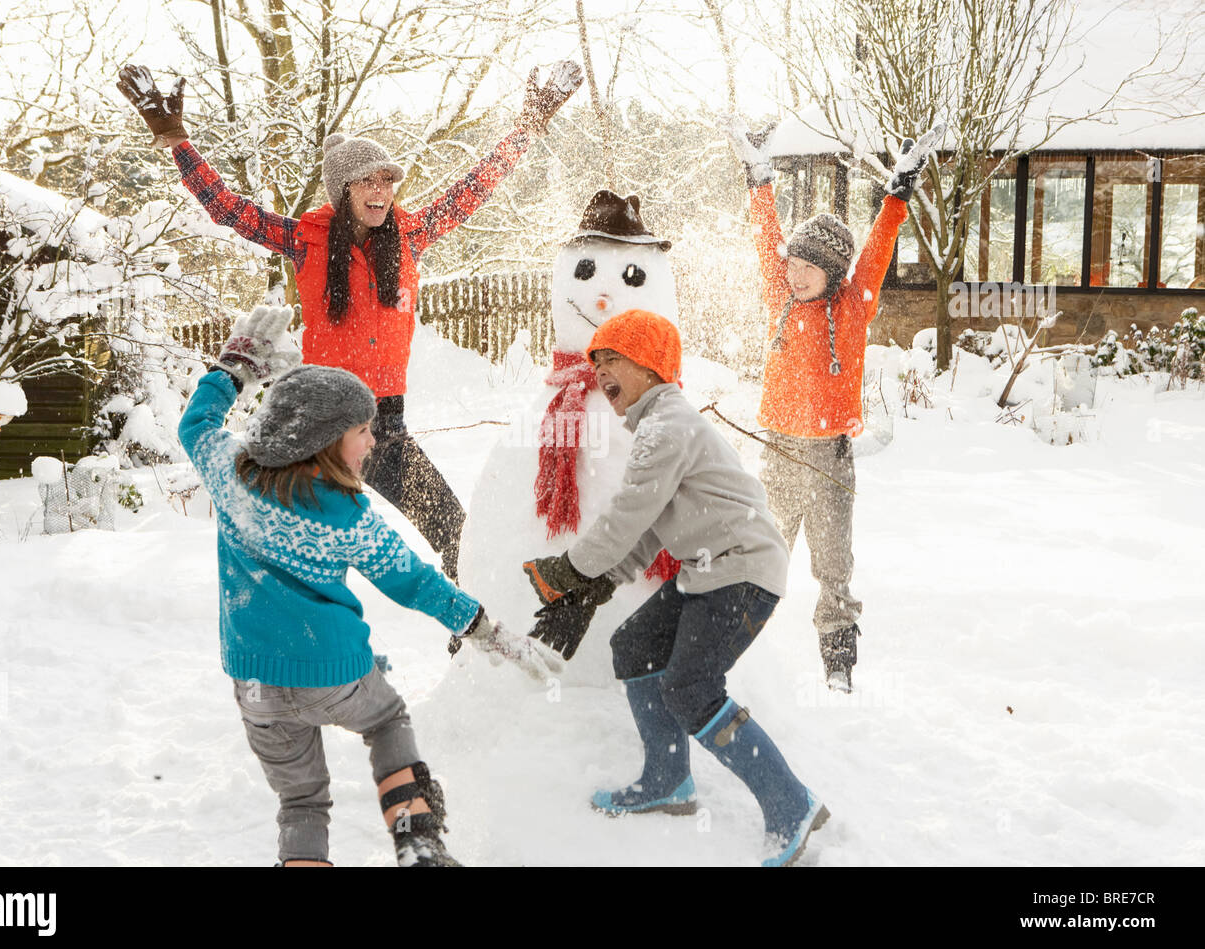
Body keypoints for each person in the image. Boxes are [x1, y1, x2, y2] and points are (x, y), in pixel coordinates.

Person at [119, 61, 583, 581]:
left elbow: (473, 190)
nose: (382, 189)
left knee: (456, 531)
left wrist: (528, 127)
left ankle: (473, 625)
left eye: (387, 179)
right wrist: (177, 141)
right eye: (368, 179)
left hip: (383, 420)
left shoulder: (410, 235)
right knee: (300, 546)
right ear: (343, 190)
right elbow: (229, 209)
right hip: (318, 417)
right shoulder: (306, 239)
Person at [178, 305, 553, 867]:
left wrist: (235, 368)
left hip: (254, 682)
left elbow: (197, 425)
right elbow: (414, 582)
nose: (373, 442)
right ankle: (419, 843)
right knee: (386, 721)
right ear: (325, 440)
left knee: (302, 801)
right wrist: (483, 628)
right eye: (362, 431)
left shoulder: (230, 471)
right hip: (337, 674)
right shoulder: (348, 514)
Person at [520, 309, 828, 867]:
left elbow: (625, 516)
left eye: (613, 358)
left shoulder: (670, 426)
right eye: (595, 362)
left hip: (741, 571)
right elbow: (646, 529)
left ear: (651, 366)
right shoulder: (658, 426)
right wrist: (595, 591)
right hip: (707, 570)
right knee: (634, 646)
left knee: (692, 688)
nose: (600, 372)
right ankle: (668, 780)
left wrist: (568, 572)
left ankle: (792, 805)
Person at [725, 117, 937, 692]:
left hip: (831, 455)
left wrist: (899, 190)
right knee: (762, 554)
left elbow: (877, 248)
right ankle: (737, 651)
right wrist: (756, 174)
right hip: (777, 451)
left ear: (833, 275)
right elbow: (765, 235)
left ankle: (838, 656)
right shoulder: (780, 295)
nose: (792, 273)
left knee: (833, 562)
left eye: (806, 267)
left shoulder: (852, 308)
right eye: (791, 264)